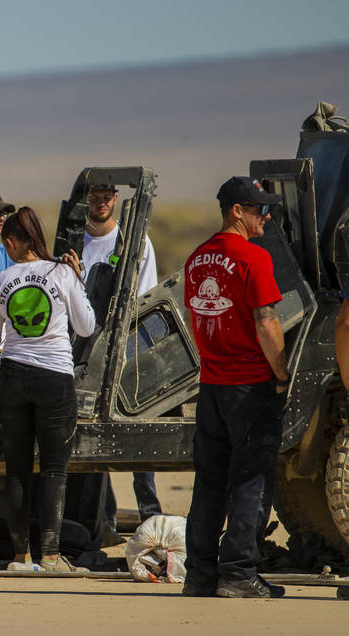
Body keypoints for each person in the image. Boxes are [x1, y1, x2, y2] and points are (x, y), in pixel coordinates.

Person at [181, 176, 289, 599]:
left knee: (209, 480)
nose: (265, 215)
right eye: (258, 208)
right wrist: (280, 373)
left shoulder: (196, 259)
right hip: (249, 383)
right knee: (251, 478)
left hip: (212, 385)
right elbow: (267, 321)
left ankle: (200, 574)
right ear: (236, 212)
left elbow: (196, 319)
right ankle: (240, 572)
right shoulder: (253, 258)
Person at [0, 206, 96, 571]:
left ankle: (20, 556)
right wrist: (78, 279)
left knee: (16, 471)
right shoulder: (61, 273)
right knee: (54, 471)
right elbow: (87, 326)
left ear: (11, 243)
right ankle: (49, 556)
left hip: (13, 378)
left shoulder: (1, 281)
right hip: (55, 380)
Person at [65, 184, 163, 537]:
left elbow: (145, 295)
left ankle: (151, 517)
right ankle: (101, 520)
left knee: (139, 433)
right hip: (83, 345)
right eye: (95, 196)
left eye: (106, 196)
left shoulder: (135, 241)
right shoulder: (75, 242)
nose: (100, 202)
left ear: (116, 200)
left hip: (125, 344)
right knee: (93, 434)